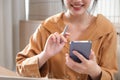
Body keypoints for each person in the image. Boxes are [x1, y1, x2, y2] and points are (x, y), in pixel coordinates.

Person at [16, 0, 118, 80]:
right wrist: (45, 55)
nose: (77, 0)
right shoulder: (47, 27)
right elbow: (21, 68)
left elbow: (111, 76)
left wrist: (95, 71)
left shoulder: (106, 30)